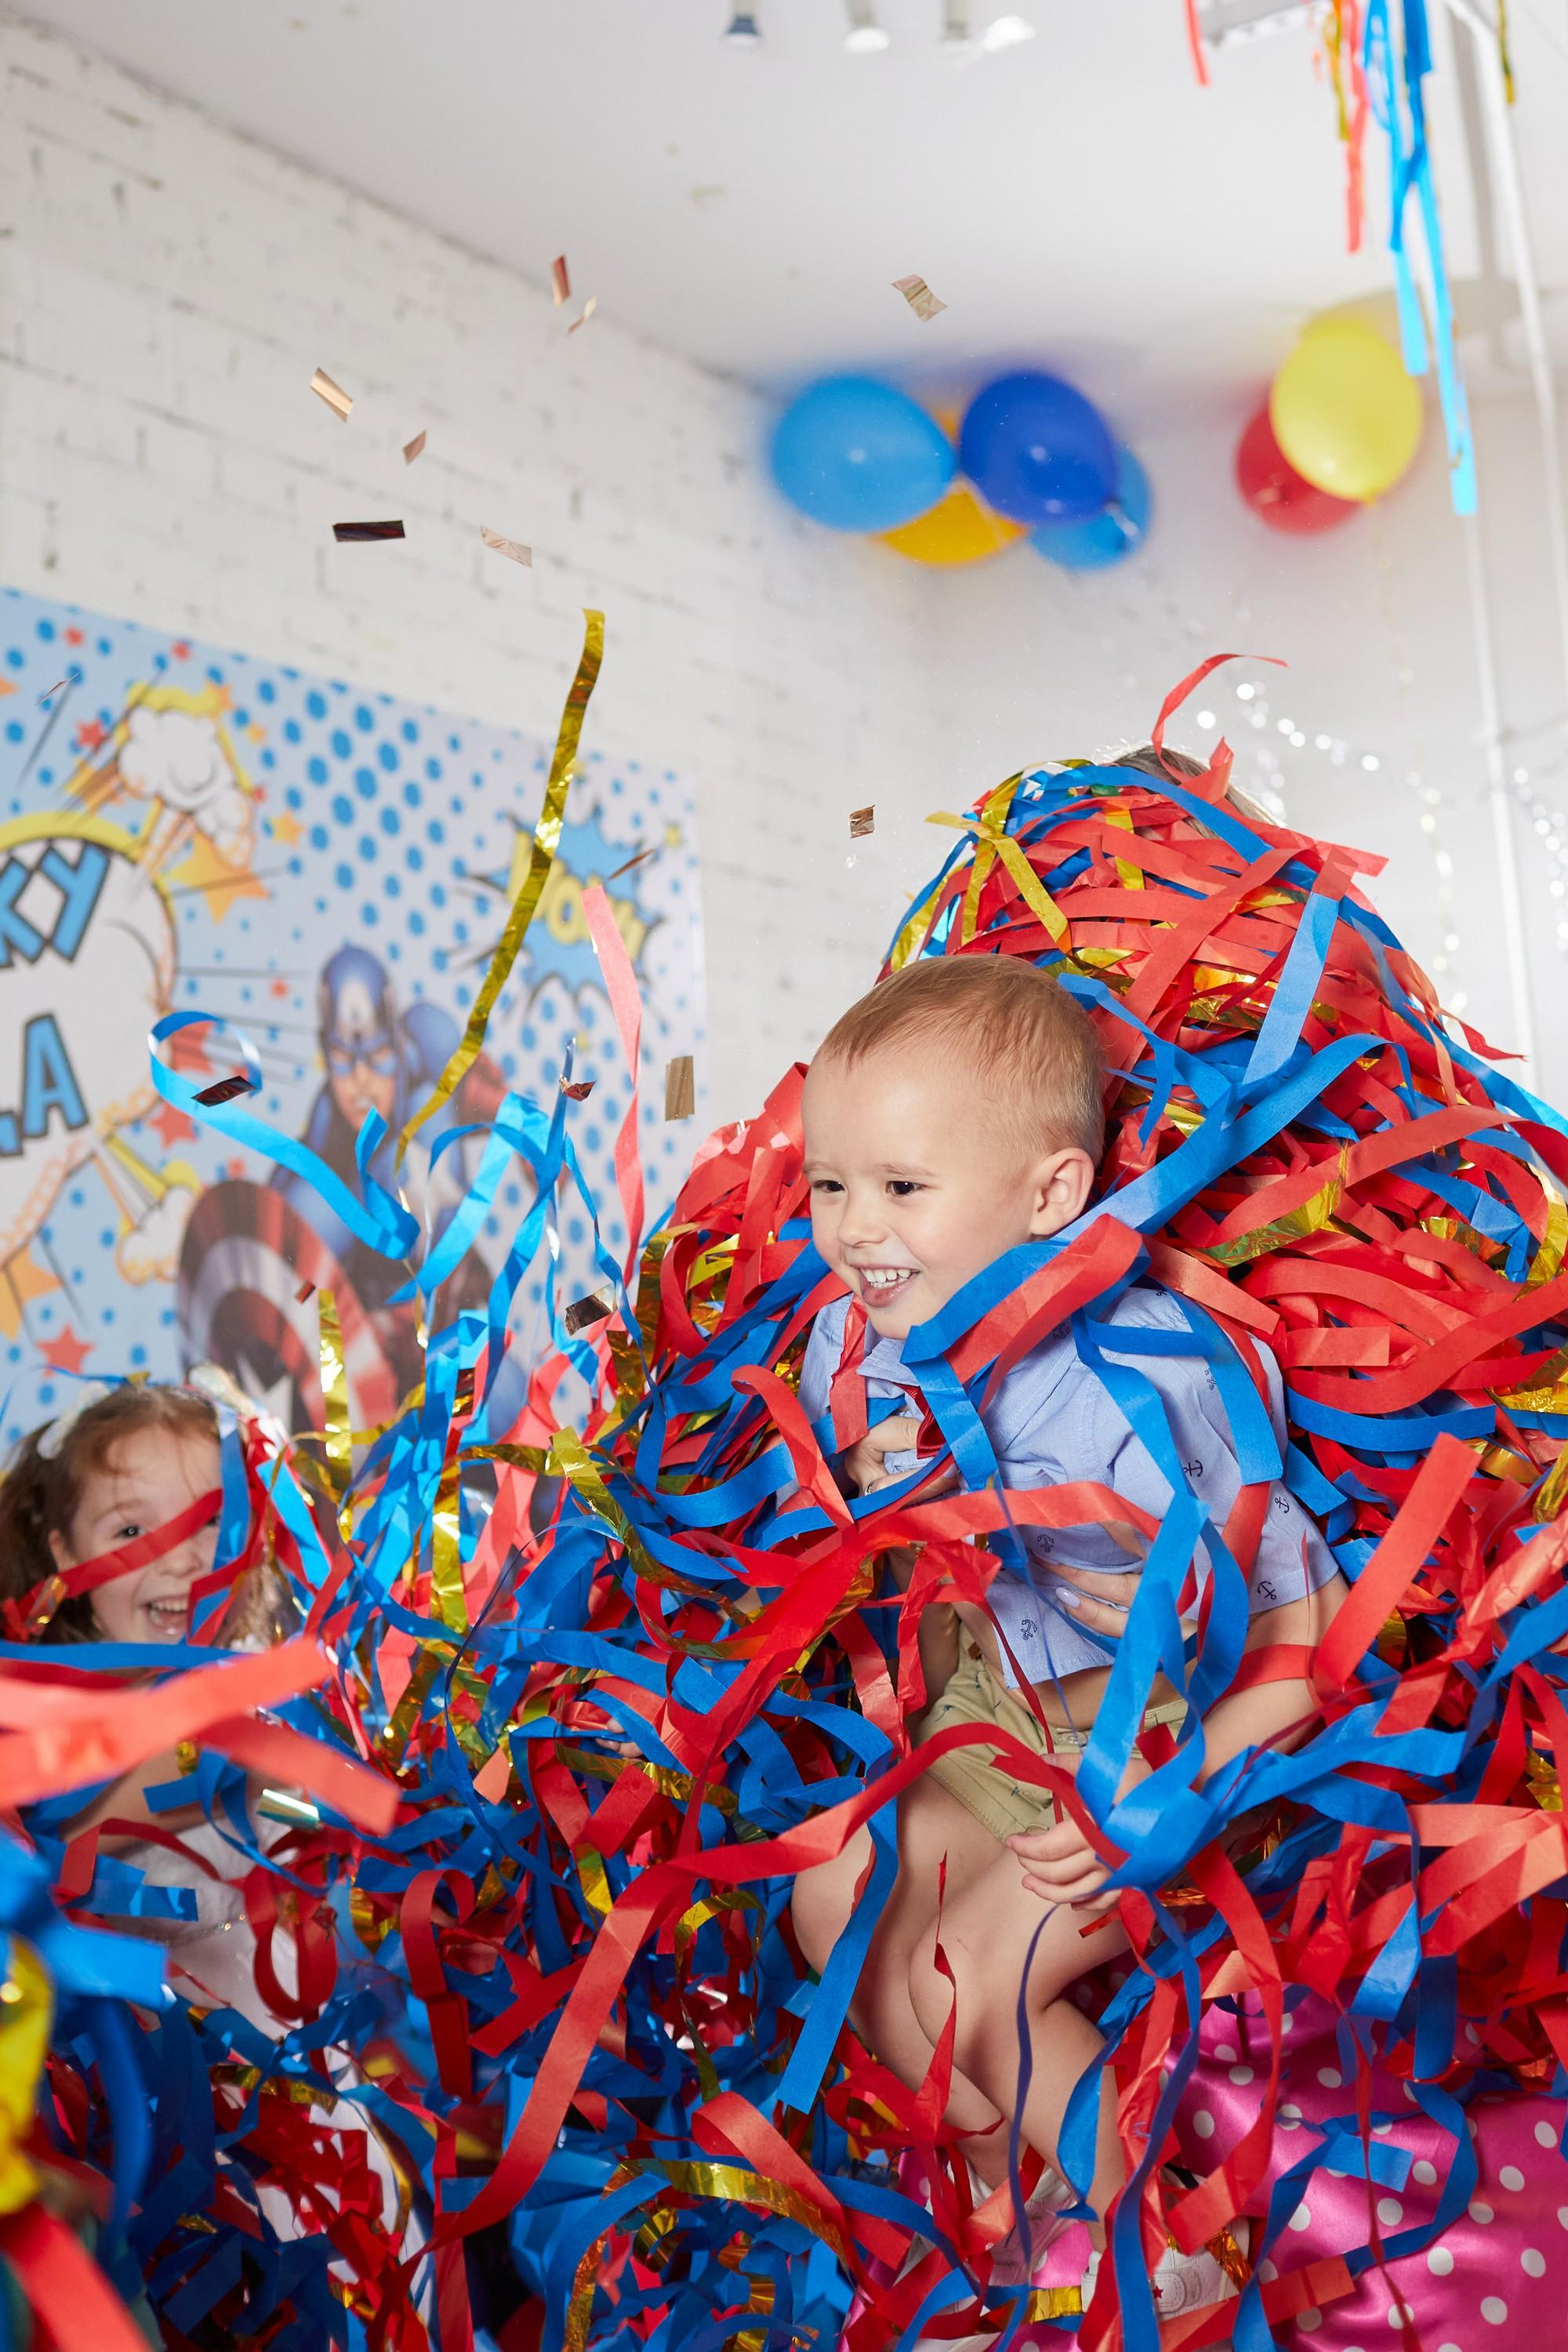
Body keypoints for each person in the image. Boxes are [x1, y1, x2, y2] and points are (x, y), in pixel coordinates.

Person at [787, 780, 1349, 2314]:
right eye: (831, 1183)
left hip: (1160, 1737)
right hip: (993, 1718)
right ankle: (1010, 2227)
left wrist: (1159, 1796)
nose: (853, 1226)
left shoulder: (1145, 1377)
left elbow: (1304, 1642)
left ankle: (1167, 2247)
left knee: (959, 1981)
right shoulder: (878, 1342)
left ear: (1051, 1196)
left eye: (901, 1188)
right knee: (831, 1896)